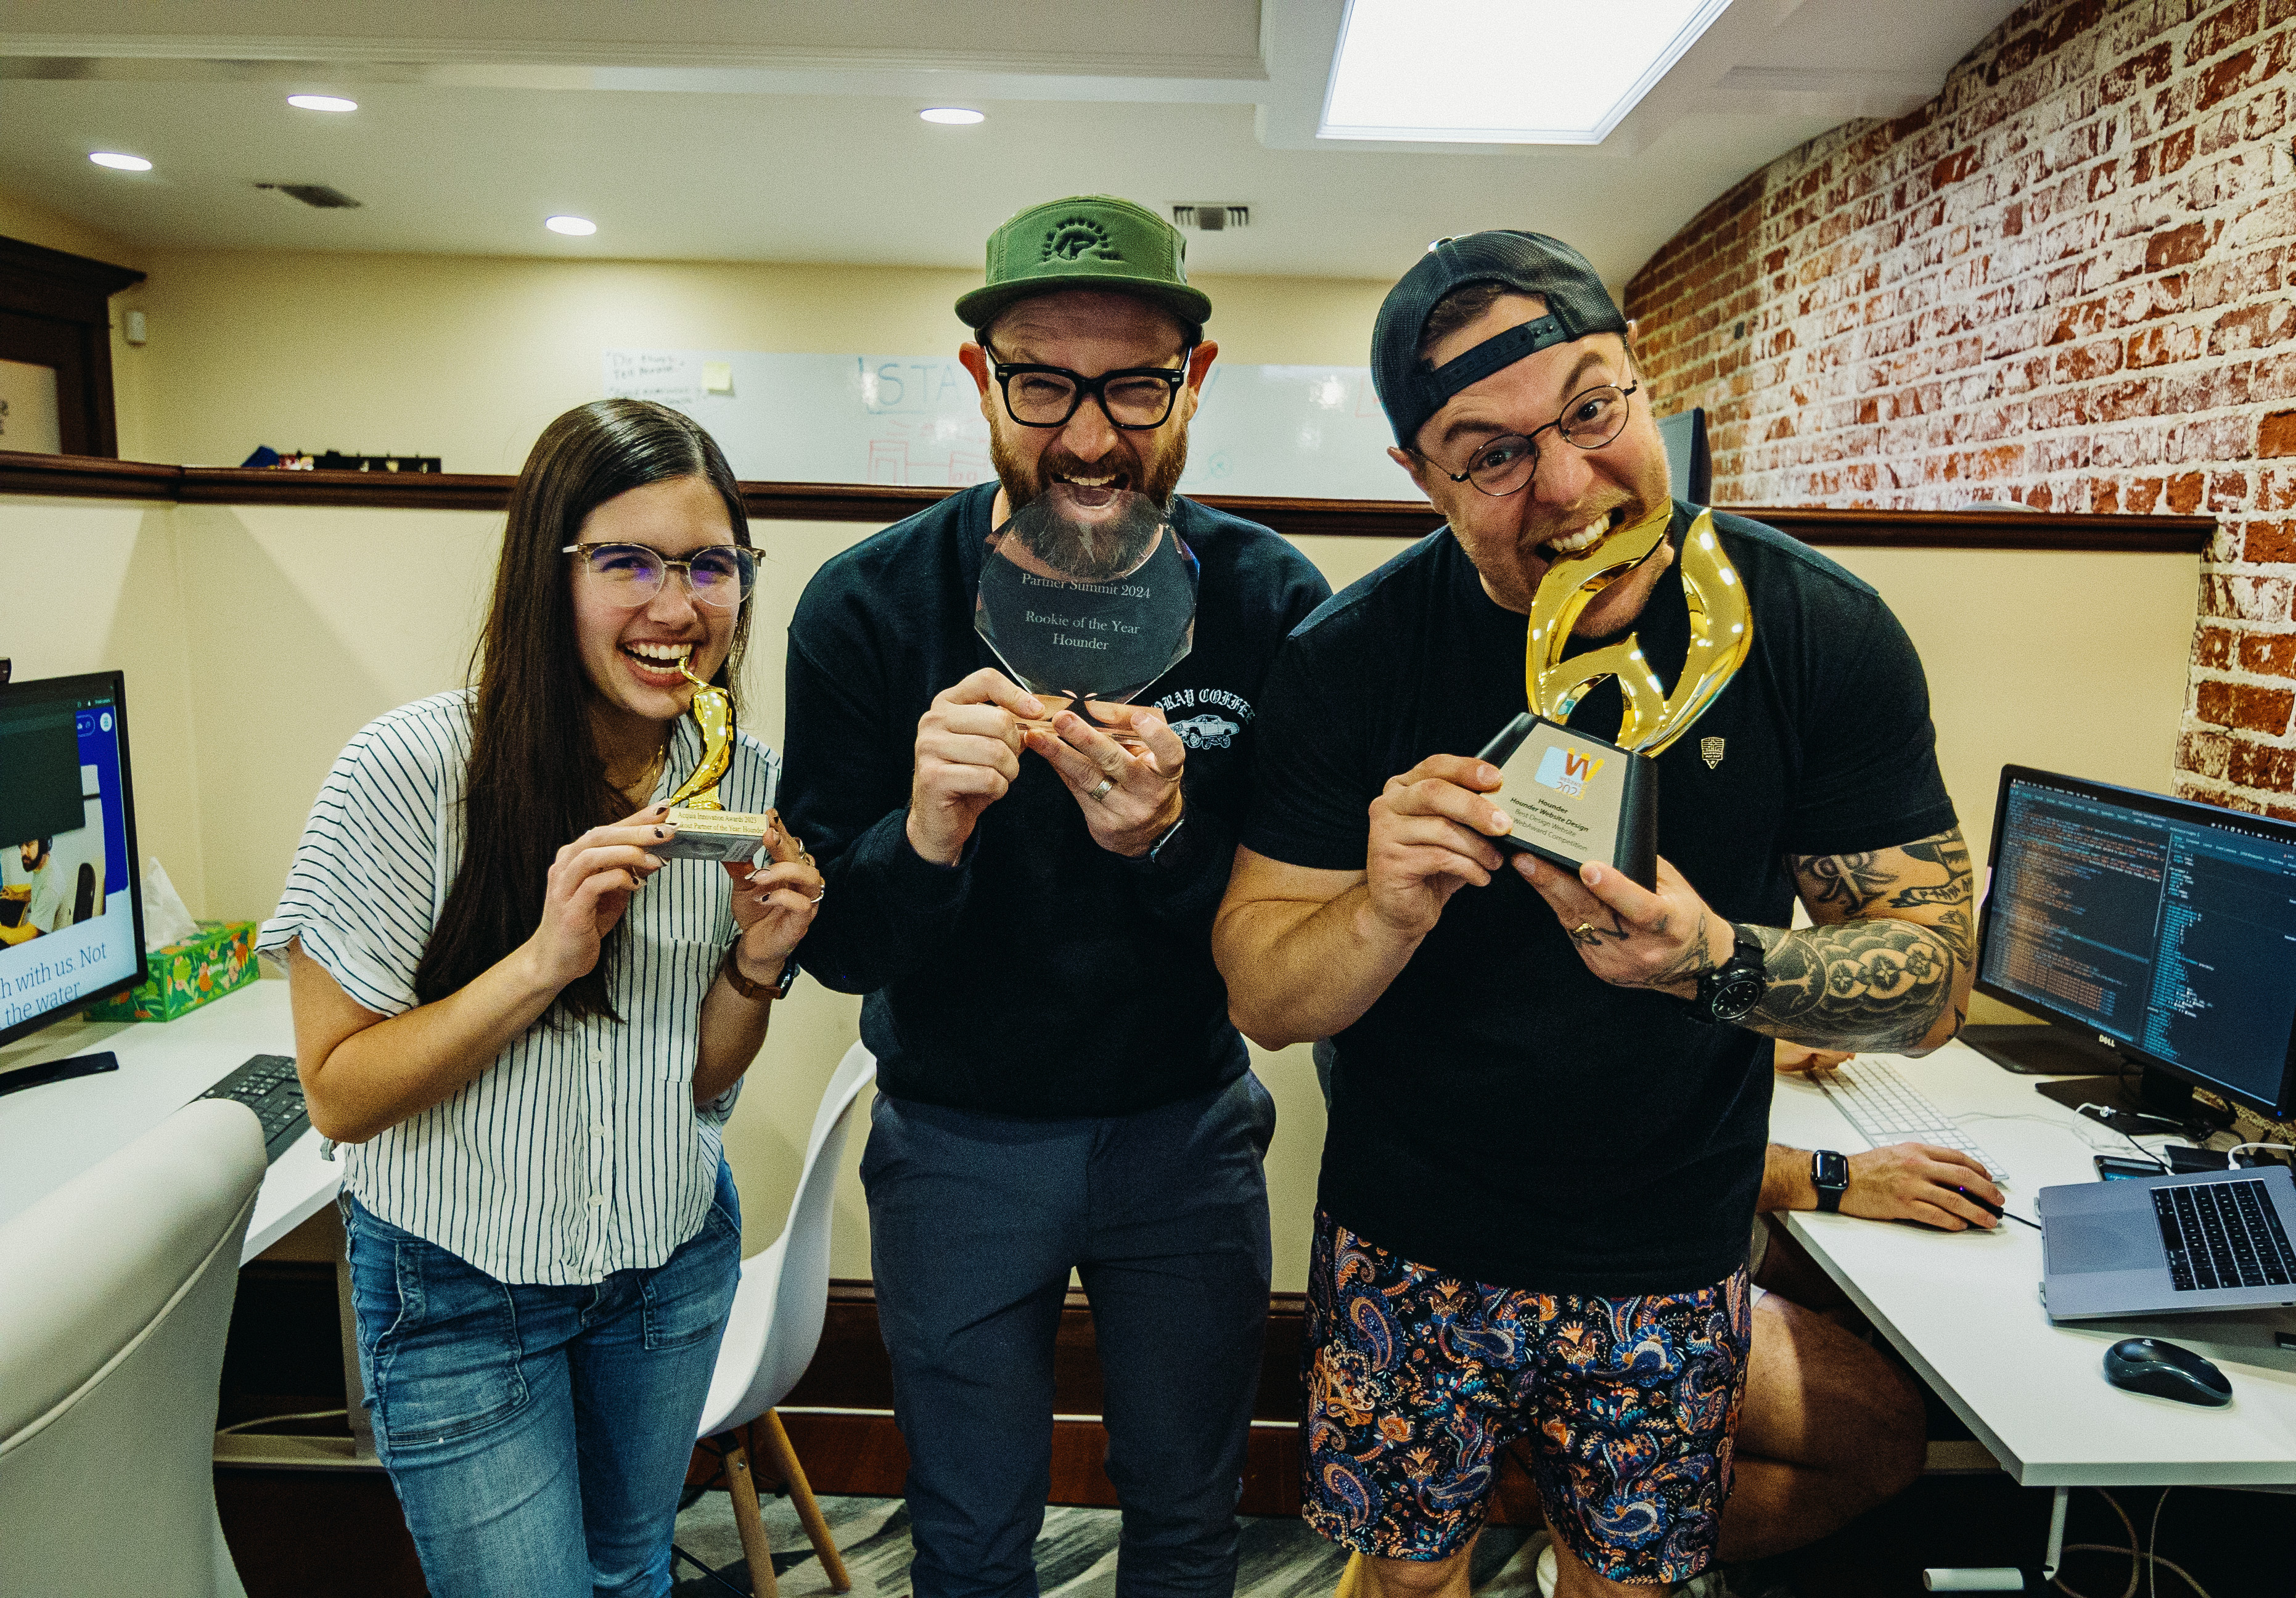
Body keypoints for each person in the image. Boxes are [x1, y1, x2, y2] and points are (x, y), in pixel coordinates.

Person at [1213, 231, 1972, 1598]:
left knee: (1624, 1583)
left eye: (1590, 409)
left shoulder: (1811, 631)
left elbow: (1931, 982)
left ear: (1642, 384)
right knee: (1404, 1581)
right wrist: (1383, 908)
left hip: (1670, 1252)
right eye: (1487, 452)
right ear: (1416, 476)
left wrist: (1717, 963)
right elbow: (1263, 998)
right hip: (1411, 1240)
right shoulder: (1353, 658)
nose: (1565, 486)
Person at [779, 195, 1330, 1598]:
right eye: (1042, 385)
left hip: (1185, 1134)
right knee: (966, 1534)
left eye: (1134, 386)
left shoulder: (1270, 603)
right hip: (956, 1144)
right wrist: (924, 831)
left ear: (1192, 383)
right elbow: (835, 945)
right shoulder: (869, 607)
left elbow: (1290, 940)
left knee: (1188, 1520)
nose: (1088, 437)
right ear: (982, 381)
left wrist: (1168, 838)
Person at [259, 399, 823, 1597]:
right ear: (547, 572)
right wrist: (540, 963)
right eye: (627, 562)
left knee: (632, 1578)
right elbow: (340, 1097)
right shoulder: (410, 775)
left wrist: (757, 963)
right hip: (460, 1289)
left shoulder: (740, 782)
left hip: (667, 1266)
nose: (677, 607)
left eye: (710, 565)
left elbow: (701, 1079)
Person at [18, 837, 70, 934]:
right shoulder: (44, 864)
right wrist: (17, 896)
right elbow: (38, 892)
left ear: (44, 845)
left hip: (51, 944)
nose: (23, 853)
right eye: (21, 846)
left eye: (29, 845)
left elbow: (30, 935)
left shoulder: (50, 885)